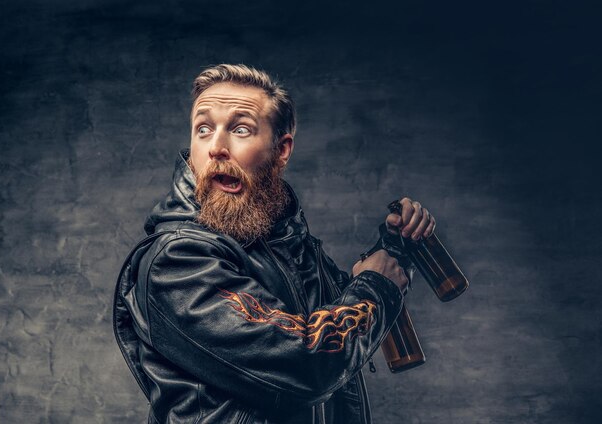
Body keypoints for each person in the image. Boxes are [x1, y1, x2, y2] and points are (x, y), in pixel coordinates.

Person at [113, 64, 436, 424]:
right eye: (203, 129)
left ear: (281, 150)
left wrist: (394, 249)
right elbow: (308, 363)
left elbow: (339, 325)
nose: (216, 147)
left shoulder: (287, 241)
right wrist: (376, 286)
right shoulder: (176, 260)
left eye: (240, 129)